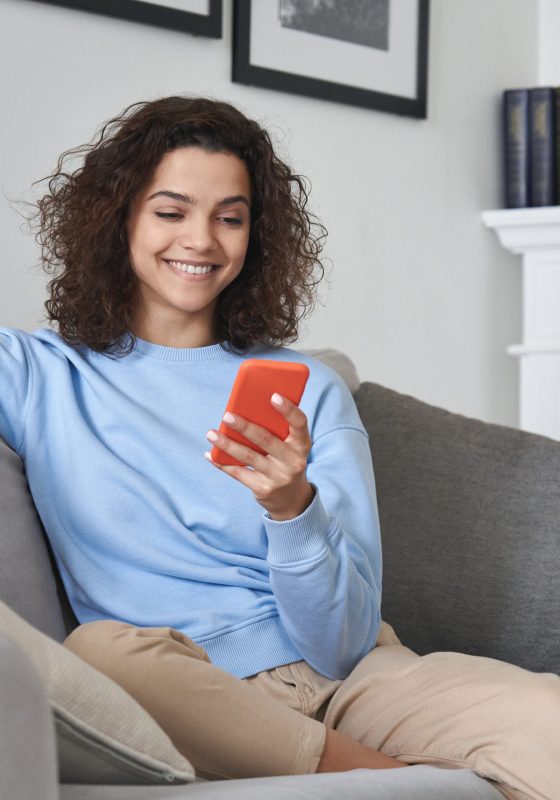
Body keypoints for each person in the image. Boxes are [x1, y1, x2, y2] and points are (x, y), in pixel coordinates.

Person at [1, 96, 558, 799]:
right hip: (183, 687)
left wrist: (292, 508)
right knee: (98, 650)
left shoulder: (313, 392)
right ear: (119, 219)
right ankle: (386, 782)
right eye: (171, 211)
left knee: (548, 719)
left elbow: (345, 644)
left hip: (349, 682)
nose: (201, 240)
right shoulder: (35, 372)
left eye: (229, 218)